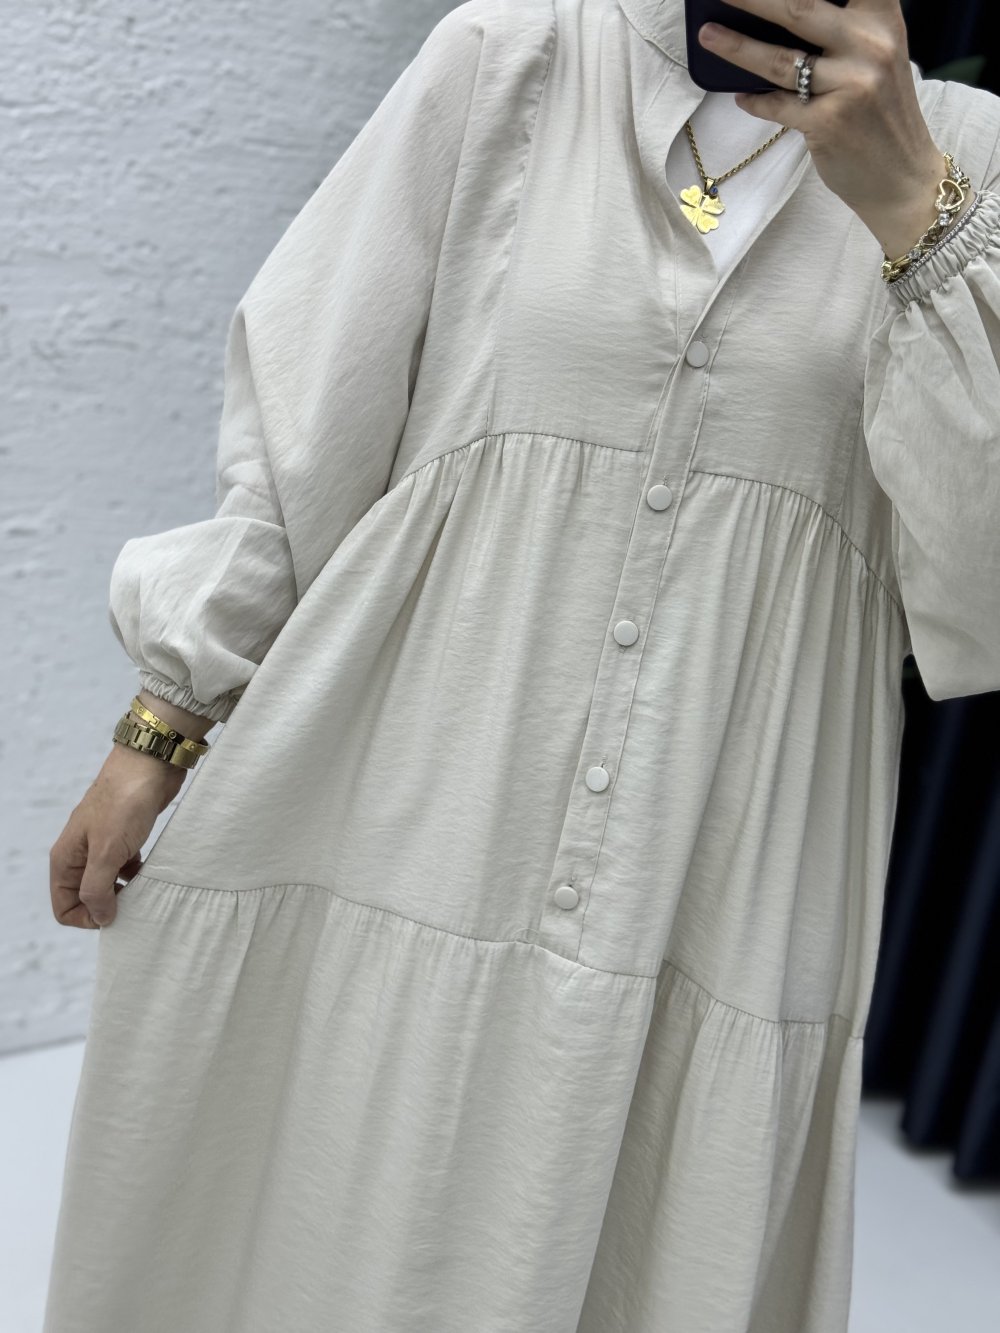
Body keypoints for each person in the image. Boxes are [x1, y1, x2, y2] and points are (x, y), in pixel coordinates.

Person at [44, 1, 1000, 1330]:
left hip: (726, 878)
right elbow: (311, 423)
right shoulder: (514, 56)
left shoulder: (969, 162)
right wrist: (166, 717)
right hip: (407, 799)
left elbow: (979, 596)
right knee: (326, 1226)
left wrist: (913, 213)